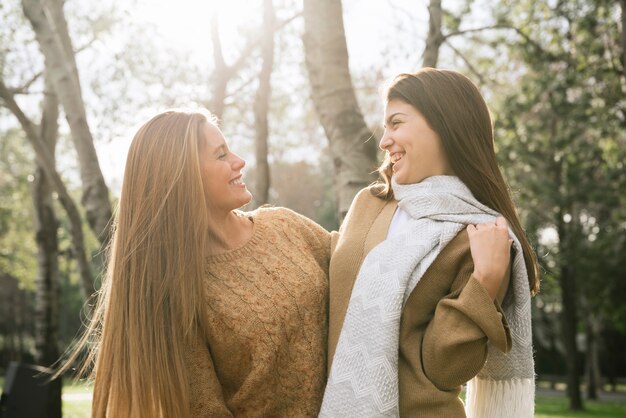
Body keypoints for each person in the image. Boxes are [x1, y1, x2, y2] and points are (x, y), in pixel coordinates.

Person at [65, 109, 332, 417]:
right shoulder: (179, 295)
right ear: (183, 176)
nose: (239, 161)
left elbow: (358, 265)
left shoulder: (285, 225)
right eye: (221, 156)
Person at [320, 68, 539, 417]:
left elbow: (444, 368)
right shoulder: (370, 204)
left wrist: (485, 283)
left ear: (445, 124)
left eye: (396, 123)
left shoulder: (478, 235)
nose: (383, 140)